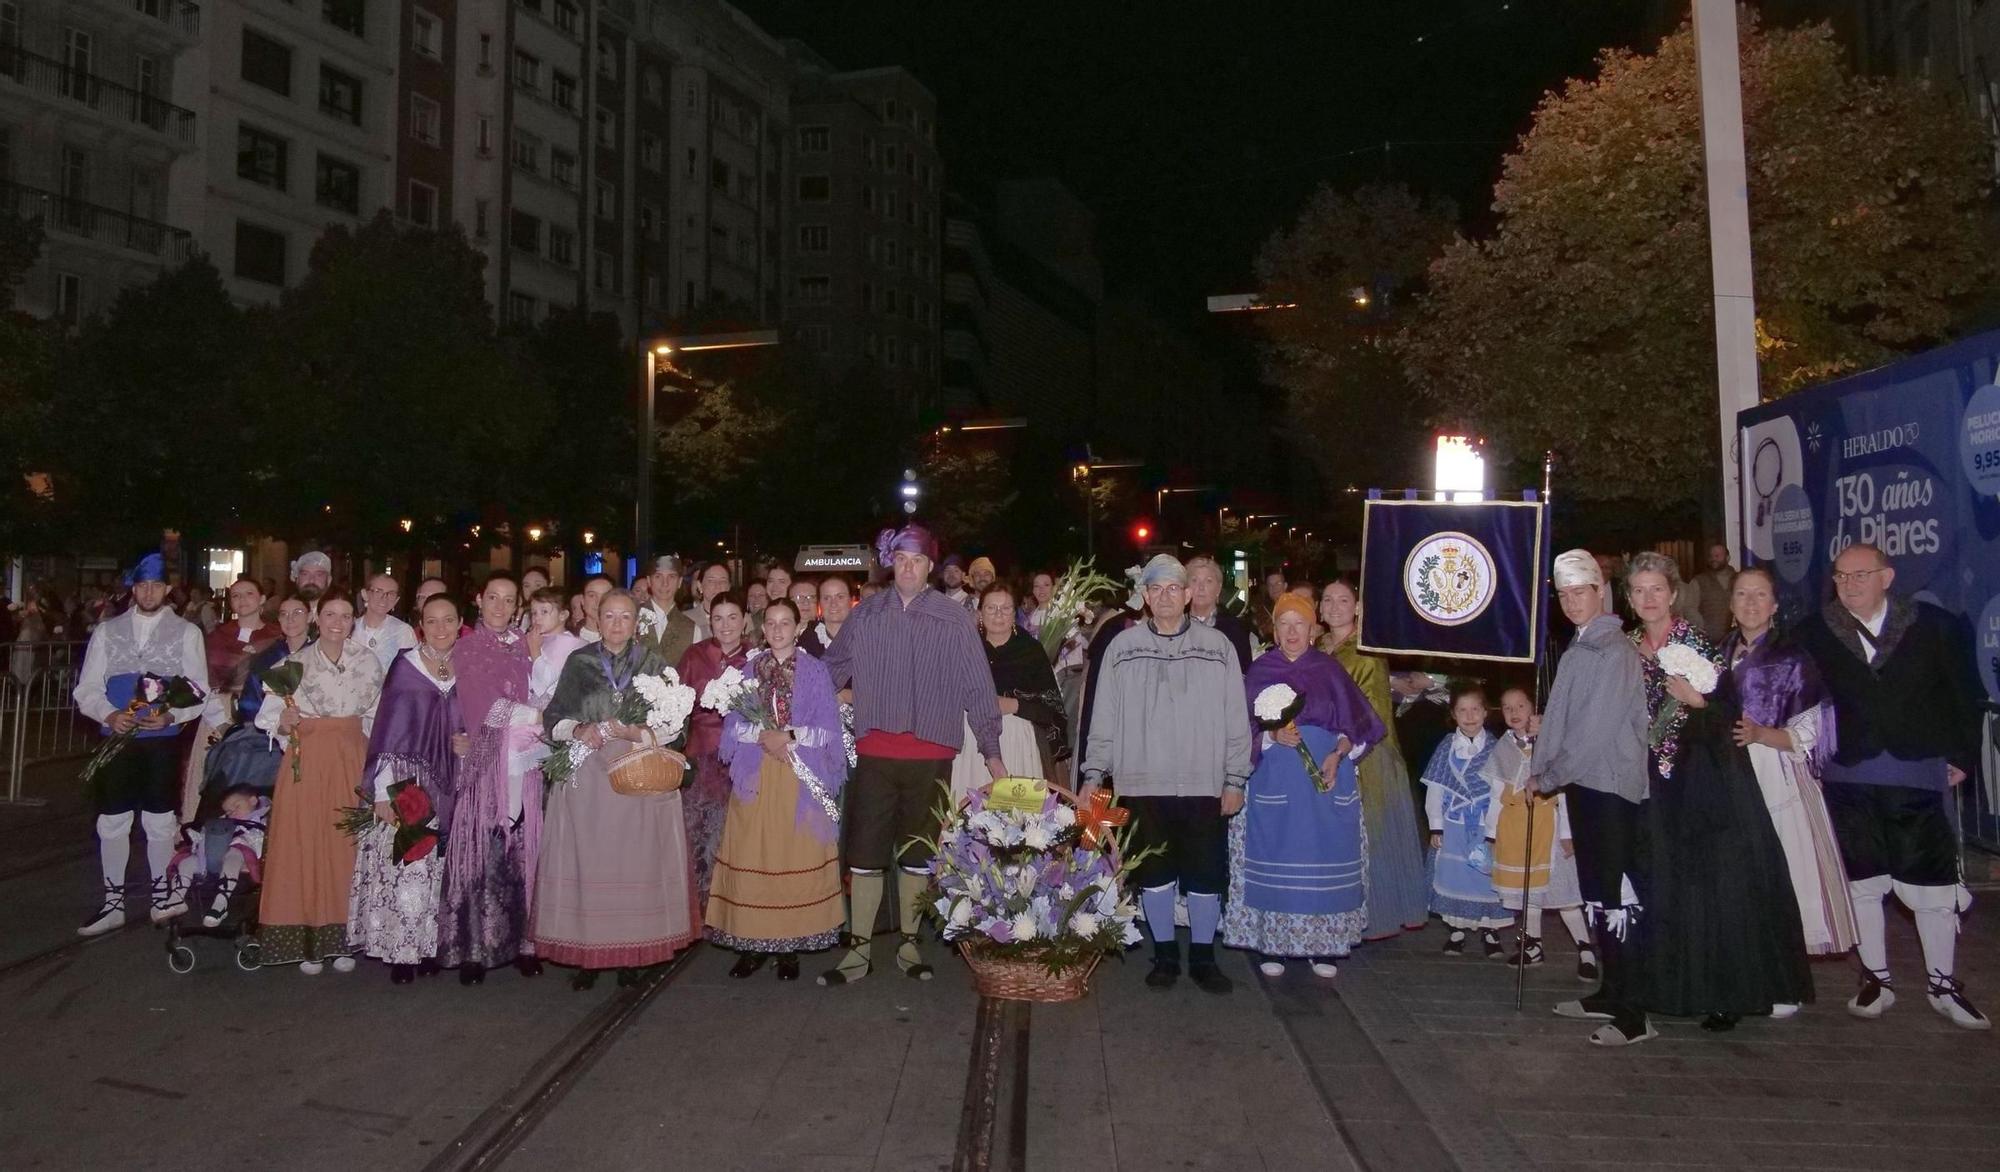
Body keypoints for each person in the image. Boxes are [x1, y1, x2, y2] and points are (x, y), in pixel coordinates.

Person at [1793, 543, 1988, 1028]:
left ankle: (1943, 984)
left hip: (1917, 771)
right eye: (1840, 576)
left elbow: (1967, 695)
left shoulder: (1935, 626)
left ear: (1887, 576)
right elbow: (1790, 694)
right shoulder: (1814, 632)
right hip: (1847, 774)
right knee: (1861, 884)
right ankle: (1875, 978)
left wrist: (1965, 757)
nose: (1849, 584)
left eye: (1861, 575)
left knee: (1933, 885)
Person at [1627, 551, 1812, 1031]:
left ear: (1673, 594)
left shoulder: (1699, 644)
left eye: (1657, 589)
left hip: (1704, 780)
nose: (1649, 598)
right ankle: (1672, 986)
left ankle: (1726, 991)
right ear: (1629, 598)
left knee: (1716, 885)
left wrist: (1698, 702)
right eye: (1639, 590)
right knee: (1665, 882)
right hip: (1651, 781)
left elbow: (1728, 717)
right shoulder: (1626, 646)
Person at [817, 525, 1005, 986]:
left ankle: (908, 942)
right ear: (890, 561)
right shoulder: (867, 615)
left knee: (919, 853)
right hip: (875, 751)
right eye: (900, 558)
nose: (908, 566)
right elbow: (828, 670)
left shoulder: (954, 617)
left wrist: (993, 752)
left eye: (917, 560)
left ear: (930, 568)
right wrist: (787, 707)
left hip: (931, 752)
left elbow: (978, 685)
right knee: (864, 851)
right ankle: (858, 950)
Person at [1081, 554, 1251, 994]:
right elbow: (1104, 716)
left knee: (1206, 875)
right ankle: (1165, 955)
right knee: (1154, 874)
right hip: (1142, 782)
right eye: (1156, 589)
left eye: (1173, 588)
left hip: (1203, 783)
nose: (1165, 597)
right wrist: (1093, 774)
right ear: (1144, 597)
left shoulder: (1218, 648)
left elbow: (1237, 718)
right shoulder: (1122, 647)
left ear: (1189, 594)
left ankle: (1203, 957)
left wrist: (1235, 779)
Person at [535, 590, 701, 989]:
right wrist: (579, 729)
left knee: (634, 863)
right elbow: (554, 716)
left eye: (624, 617)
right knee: (589, 863)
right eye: (608, 616)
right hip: (589, 777)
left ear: (636, 621)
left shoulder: (653, 663)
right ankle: (588, 957)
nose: (616, 624)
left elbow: (676, 726)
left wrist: (637, 731)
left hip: (636, 774)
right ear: (596, 616)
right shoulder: (580, 661)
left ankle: (633, 953)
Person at [1221, 592, 1380, 978]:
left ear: (1313, 630)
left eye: (1300, 624)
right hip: (1273, 783)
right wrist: (1272, 737)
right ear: (1274, 631)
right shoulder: (1259, 672)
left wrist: (1339, 753)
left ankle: (1322, 946)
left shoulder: (1329, 670)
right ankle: (1272, 944)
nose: (1292, 632)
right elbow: (1239, 733)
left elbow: (1357, 726)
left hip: (1323, 784)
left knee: (1321, 858)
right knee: (1276, 858)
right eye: (1284, 624)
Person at [1531, 550, 1654, 1046]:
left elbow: (1593, 733)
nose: (1572, 601)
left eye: (1581, 591)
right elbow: (1567, 720)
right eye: (1564, 594)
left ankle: (1634, 1012)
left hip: (1609, 788)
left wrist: (1549, 773)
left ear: (1601, 591)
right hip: (1586, 786)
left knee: (1618, 898)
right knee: (1599, 896)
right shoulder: (1583, 646)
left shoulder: (1611, 651)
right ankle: (1611, 990)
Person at [72, 553, 211, 935]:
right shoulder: (107, 630)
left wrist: (171, 716)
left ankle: (160, 895)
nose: (148, 592)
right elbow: (86, 688)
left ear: (167, 590)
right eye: (142, 585)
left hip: (160, 742)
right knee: (112, 819)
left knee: (160, 821)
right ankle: (113, 901)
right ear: (134, 589)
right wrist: (108, 714)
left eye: (156, 585)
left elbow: (199, 690)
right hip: (116, 740)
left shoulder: (187, 633)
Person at [708, 599, 847, 980]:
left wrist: (787, 736)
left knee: (791, 854)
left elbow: (828, 731)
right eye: (771, 623)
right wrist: (763, 736)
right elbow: (734, 727)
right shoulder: (748, 670)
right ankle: (751, 945)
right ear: (763, 629)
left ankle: (789, 948)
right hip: (757, 773)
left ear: (798, 627)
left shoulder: (816, 672)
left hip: (798, 773)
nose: (779, 629)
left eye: (786, 622)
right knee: (755, 852)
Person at [1722, 567, 1856, 958]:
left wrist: (1762, 734)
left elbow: (1809, 733)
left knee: (1788, 873)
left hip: (1777, 773)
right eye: (1742, 594)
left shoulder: (1794, 658)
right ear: (1730, 604)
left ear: (1775, 604)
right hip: (1729, 777)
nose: (1750, 602)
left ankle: (1787, 975)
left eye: (1760, 595)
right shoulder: (1715, 654)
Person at [254, 589, 383, 973]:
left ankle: (344, 938)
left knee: (346, 845)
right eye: (330, 615)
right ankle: (307, 937)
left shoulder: (368, 661)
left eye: (345, 616)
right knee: (305, 843)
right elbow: (267, 716)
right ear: (316, 617)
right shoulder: (294, 663)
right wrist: (282, 721)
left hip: (351, 756)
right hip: (307, 759)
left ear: (353, 621)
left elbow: (376, 716)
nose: (337, 623)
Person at [349, 594, 465, 984]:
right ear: (421, 625)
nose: (441, 629)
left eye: (448, 620)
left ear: (460, 622)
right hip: (408, 778)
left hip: (456, 779)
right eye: (432, 622)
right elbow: (387, 732)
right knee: (412, 865)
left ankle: (432, 947)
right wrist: (383, 792)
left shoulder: (466, 665)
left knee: (444, 871)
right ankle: (403, 953)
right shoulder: (406, 666)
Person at [1317, 577, 1429, 939]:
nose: (1335, 607)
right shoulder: (1316, 646)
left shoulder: (1367, 650)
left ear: (1358, 607)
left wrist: (1348, 746)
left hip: (1367, 752)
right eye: (1328, 600)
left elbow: (1376, 709)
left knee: (1372, 835)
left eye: (1343, 600)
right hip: (1324, 749)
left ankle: (1375, 914)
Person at [440, 573, 537, 985]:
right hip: (486, 758)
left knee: (522, 847)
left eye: (508, 599)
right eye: (492, 597)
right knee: (480, 850)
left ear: (517, 606)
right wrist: (538, 716)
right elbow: (484, 706)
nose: (499, 606)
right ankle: (474, 949)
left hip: (526, 756)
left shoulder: (522, 645)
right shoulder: (469, 647)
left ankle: (522, 942)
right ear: (478, 600)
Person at [1480, 686, 1594, 976]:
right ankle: (1532, 945)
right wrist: (1491, 833)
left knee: (1564, 893)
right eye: (1506, 708)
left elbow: (1564, 793)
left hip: (1549, 826)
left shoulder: (1549, 745)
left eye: (1520, 706)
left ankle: (1585, 950)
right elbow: (1497, 796)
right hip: (1516, 829)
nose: (1514, 713)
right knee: (1527, 894)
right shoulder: (1503, 748)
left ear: (1533, 708)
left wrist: (1568, 833)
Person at [951, 583, 1067, 794]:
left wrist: (1015, 705)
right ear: (980, 612)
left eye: (1005, 608)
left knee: (1017, 815)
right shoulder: (965, 647)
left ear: (1015, 613)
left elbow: (1051, 709)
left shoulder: (1030, 651)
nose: (998, 615)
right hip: (972, 741)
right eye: (990, 608)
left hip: (1019, 741)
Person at [1421, 685, 1510, 956]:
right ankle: (1456, 929)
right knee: (1455, 875)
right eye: (1462, 710)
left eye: (1475, 710)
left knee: (1484, 877)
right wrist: (1436, 825)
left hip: (1485, 824)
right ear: (1453, 714)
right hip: (1454, 824)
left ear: (1485, 712)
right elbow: (1436, 788)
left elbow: (1499, 794)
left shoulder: (1497, 747)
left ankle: (1490, 931)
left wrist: (1493, 831)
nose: (1469, 716)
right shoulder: (1447, 746)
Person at [677, 592, 751, 906]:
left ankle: (738, 905)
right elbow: (676, 707)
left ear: (745, 619)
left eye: (732, 617)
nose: (725, 625)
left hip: (744, 760)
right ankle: (701, 909)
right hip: (701, 754)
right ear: (709, 621)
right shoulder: (694, 655)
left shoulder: (756, 658)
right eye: (718, 618)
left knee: (740, 835)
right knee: (699, 836)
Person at [1186, 555, 1253, 672]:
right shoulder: (1175, 627)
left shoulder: (1235, 629)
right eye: (1194, 580)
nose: (1201, 587)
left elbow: (1243, 673)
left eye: (1208, 581)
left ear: (1218, 588)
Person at [639, 555, 699, 669]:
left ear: (680, 582)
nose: (664, 583)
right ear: (649, 581)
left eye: (671, 577)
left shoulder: (691, 628)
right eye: (658, 576)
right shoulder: (631, 618)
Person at [354, 574, 418, 675]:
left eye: (391, 594)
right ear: (365, 594)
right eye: (378, 591)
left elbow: (411, 671)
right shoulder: (350, 628)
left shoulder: (403, 632)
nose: (384, 598)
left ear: (396, 600)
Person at [1680, 542, 1736, 644]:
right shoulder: (1699, 581)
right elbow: (1689, 608)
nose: (1713, 559)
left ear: (1728, 558)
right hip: (1709, 641)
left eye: (1717, 556)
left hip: (1737, 641)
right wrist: (1703, 628)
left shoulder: (1739, 579)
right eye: (1711, 556)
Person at [799, 575, 853, 657]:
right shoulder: (807, 640)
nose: (833, 603)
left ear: (851, 600)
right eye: (827, 598)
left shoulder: (867, 637)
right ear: (819, 603)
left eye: (840, 597)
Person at [689, 562, 732, 641]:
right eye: (711, 581)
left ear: (729, 587)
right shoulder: (686, 619)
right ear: (700, 585)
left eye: (723, 581)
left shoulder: (743, 619)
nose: (717, 586)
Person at [575, 574, 614, 644]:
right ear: (582, 600)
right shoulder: (569, 638)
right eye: (592, 596)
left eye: (605, 596)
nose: (598, 602)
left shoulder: (627, 637)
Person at [1020, 570, 1056, 638]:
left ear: (1053, 588)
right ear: (1033, 591)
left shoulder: (1062, 615)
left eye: (1046, 585)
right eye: (1036, 586)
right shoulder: (1029, 620)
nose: (1041, 589)